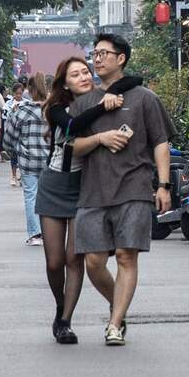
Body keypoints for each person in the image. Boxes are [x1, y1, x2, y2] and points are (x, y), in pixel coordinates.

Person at [71, 33, 174, 346]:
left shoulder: (144, 98)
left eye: (104, 53)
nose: (97, 59)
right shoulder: (85, 102)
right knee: (93, 262)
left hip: (134, 186)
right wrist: (100, 139)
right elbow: (70, 147)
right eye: (95, 53)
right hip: (93, 191)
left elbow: (160, 142)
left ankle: (115, 324)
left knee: (127, 257)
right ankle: (119, 305)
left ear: (122, 58)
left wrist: (164, 185)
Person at [39, 57, 142, 344]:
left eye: (86, 72)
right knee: (54, 261)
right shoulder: (59, 108)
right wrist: (102, 105)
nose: (84, 77)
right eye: (76, 74)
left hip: (85, 188)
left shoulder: (101, 96)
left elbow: (134, 82)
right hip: (54, 185)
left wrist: (113, 91)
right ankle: (60, 305)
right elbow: (72, 126)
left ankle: (65, 320)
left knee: (75, 258)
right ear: (65, 82)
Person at [2, 72, 49, 246]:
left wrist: (17, 149)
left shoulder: (22, 111)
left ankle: (35, 234)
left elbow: (8, 139)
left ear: (30, 89)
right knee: (47, 197)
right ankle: (49, 233)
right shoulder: (53, 111)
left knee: (31, 196)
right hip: (50, 161)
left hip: (28, 161)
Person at [4, 82, 27, 187]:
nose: (18, 95)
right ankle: (13, 175)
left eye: (20, 93)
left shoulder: (27, 103)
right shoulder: (8, 104)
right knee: (14, 154)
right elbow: (4, 116)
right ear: (13, 93)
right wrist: (12, 111)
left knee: (23, 154)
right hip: (12, 131)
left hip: (23, 132)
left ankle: (22, 176)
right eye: (17, 93)